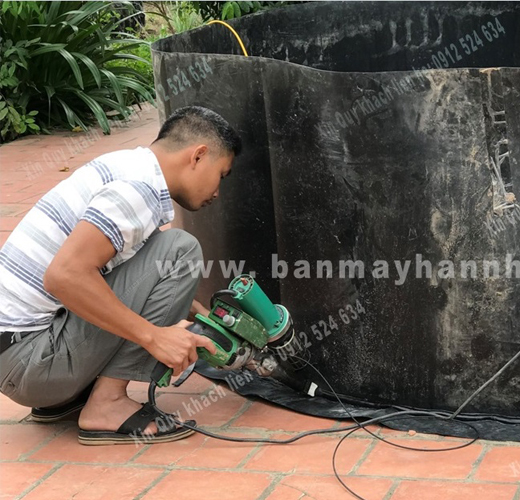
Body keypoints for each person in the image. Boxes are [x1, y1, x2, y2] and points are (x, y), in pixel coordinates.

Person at [0, 106, 242, 445]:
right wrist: (154, 337)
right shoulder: (138, 190)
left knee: (162, 251)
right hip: (31, 362)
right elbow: (65, 276)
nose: (217, 193)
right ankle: (107, 404)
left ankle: (69, 396)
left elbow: (125, 269)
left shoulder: (128, 168)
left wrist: (200, 315)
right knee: (179, 250)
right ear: (198, 156)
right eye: (221, 175)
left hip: (18, 355)